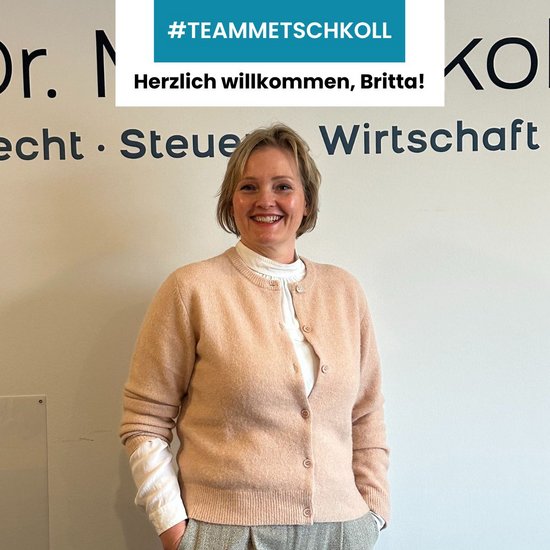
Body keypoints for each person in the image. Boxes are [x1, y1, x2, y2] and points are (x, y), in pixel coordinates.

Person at [120, 123, 390, 550]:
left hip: (342, 530)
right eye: (249, 187)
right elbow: (145, 421)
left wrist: (372, 514)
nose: (266, 200)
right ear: (231, 201)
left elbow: (366, 414)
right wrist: (176, 531)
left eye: (283, 186)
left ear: (306, 201)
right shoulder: (191, 289)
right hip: (226, 533)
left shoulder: (345, 291)